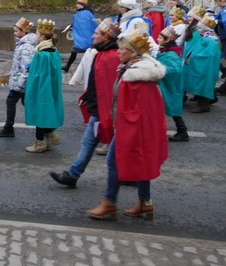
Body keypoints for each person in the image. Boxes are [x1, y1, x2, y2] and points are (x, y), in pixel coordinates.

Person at [87, 29, 168, 221]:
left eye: (122, 49)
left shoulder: (136, 76)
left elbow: (134, 111)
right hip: (133, 128)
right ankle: (145, 203)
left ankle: (109, 202)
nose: (118, 52)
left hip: (131, 129)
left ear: (133, 53)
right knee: (141, 160)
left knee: (113, 161)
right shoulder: (133, 70)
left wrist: (122, 129)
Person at [49, 18, 121, 189]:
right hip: (98, 107)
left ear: (106, 37)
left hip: (102, 110)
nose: (93, 36)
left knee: (98, 145)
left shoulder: (109, 57)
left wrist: (101, 110)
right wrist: (88, 95)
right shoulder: (102, 53)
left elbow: (109, 89)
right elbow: (96, 82)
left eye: (96, 33)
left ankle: (76, 176)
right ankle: (73, 175)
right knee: (91, 144)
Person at [24, 19, 64, 153]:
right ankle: (51, 136)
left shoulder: (41, 54)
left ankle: (39, 143)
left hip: (41, 88)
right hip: (51, 87)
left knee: (39, 111)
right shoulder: (54, 51)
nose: (36, 37)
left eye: (36, 34)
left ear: (41, 36)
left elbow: (36, 75)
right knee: (46, 110)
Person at [0, 17, 37, 138]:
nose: (14, 33)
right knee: (27, 103)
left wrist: (19, 84)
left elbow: (26, 68)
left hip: (20, 83)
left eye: (16, 31)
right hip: (20, 81)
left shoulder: (26, 46)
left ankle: (9, 128)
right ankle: (46, 128)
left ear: (24, 32)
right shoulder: (22, 44)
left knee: (11, 101)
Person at [183, 11, 220, 113]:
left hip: (205, 67)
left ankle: (203, 104)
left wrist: (195, 57)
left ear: (206, 29)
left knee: (203, 84)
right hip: (200, 66)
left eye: (199, 28)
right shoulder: (205, 37)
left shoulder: (210, 40)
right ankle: (206, 100)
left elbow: (209, 55)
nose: (197, 29)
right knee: (200, 83)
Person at [156, 26, 188, 142]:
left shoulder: (171, 54)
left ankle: (182, 132)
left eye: (160, 37)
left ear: (167, 40)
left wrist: (160, 70)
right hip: (168, 85)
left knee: (172, 106)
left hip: (171, 85)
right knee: (172, 107)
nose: (157, 38)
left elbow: (175, 70)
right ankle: (182, 131)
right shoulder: (167, 51)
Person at [63, 0, 96, 73]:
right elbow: (78, 23)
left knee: (86, 51)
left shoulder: (86, 14)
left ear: (82, 5)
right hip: (82, 37)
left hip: (85, 37)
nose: (76, 5)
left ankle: (69, 66)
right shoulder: (81, 13)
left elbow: (88, 25)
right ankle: (67, 66)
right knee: (75, 50)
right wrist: (72, 27)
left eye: (78, 4)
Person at [214, 0, 226, 86]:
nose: (217, 4)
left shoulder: (225, 10)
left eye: (218, 2)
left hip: (224, 36)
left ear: (222, 1)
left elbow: (224, 21)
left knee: (223, 57)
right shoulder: (222, 10)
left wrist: (216, 21)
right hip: (222, 36)